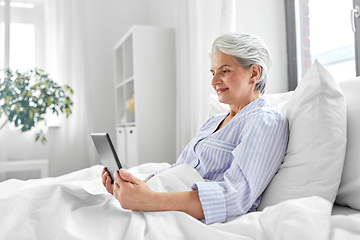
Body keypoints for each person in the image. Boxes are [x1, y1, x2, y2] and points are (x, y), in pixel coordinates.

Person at [102, 33, 289, 225]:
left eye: (224, 71)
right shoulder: (213, 122)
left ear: (254, 73)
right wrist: (132, 189)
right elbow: (178, 168)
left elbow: (235, 196)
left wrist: (149, 200)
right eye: (213, 72)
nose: (213, 81)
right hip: (160, 197)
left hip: (179, 212)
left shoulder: (264, 121)